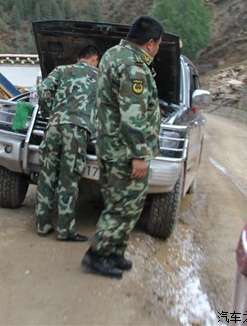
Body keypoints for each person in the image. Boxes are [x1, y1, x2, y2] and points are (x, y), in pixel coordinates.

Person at [81, 16, 163, 279]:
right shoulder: (133, 67)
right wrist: (139, 154)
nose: (157, 50)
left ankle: (114, 252)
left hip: (110, 145)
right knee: (125, 205)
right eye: (158, 45)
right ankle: (97, 254)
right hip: (125, 152)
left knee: (117, 201)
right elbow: (133, 115)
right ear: (150, 43)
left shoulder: (112, 54)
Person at [35, 45, 101, 242]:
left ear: (79, 57)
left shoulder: (61, 70)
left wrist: (51, 111)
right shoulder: (99, 76)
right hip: (77, 129)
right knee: (69, 179)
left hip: (54, 126)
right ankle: (65, 230)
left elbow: (43, 89)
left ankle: (42, 224)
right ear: (95, 59)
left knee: (47, 175)